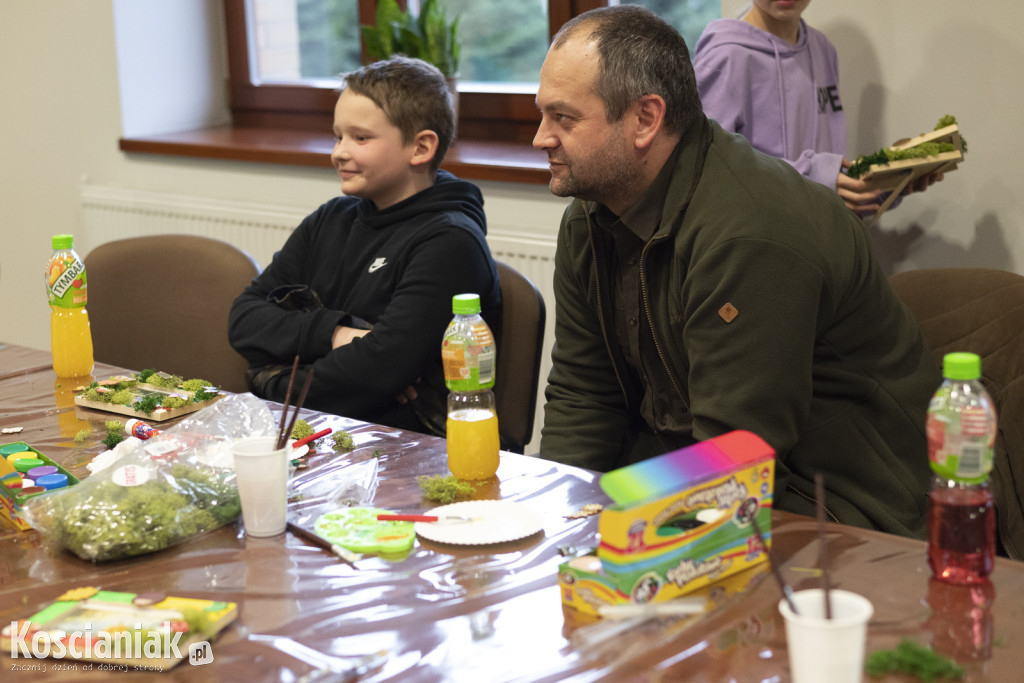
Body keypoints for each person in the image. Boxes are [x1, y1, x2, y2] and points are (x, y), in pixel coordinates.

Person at [533, 6, 941, 539]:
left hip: (844, 509)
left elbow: (736, 456)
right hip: (715, 485)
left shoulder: (750, 233)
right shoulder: (588, 222)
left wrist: (617, 535)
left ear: (645, 120)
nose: (541, 138)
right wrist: (555, 528)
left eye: (563, 118)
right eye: (541, 114)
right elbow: (585, 393)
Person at [229, 56, 501, 436]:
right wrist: (338, 334)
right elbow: (244, 319)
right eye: (338, 135)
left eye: (360, 137)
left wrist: (272, 381)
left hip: (410, 444)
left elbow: (378, 371)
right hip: (324, 429)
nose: (339, 152)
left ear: (420, 148)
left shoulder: (450, 241)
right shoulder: (330, 218)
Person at [694, 0, 938, 214]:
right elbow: (708, 170)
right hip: (764, 250)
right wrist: (816, 176)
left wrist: (889, 183)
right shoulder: (725, 55)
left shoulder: (823, 50)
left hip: (823, 245)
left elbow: (829, 181)